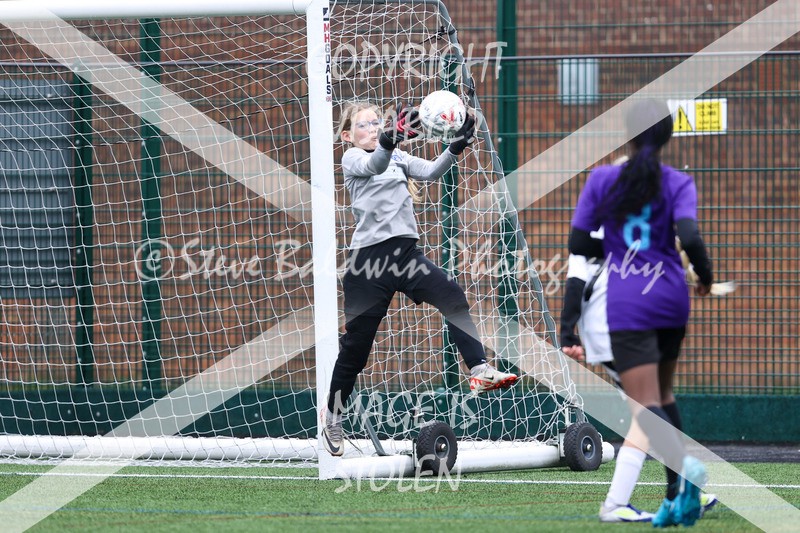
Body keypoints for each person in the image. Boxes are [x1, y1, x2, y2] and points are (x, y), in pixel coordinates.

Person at [321, 101, 518, 457]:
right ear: (349, 135)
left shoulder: (396, 156)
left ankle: (479, 369)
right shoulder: (353, 157)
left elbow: (431, 171)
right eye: (365, 124)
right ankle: (333, 416)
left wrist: (457, 144)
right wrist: (391, 137)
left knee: (452, 295)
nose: (373, 127)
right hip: (368, 265)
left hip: (405, 256)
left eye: (378, 122)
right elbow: (375, 161)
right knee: (355, 350)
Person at [568, 99, 714, 527]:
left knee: (645, 404)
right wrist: (704, 276)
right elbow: (689, 234)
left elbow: (579, 243)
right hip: (671, 298)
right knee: (663, 396)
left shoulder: (602, 180)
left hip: (630, 304)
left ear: (626, 137)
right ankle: (679, 497)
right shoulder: (678, 182)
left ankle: (685, 475)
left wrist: (615, 247)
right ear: (667, 137)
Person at [560, 231, 718, 523]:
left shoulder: (610, 219)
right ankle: (622, 502)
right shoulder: (611, 222)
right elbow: (577, 282)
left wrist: (569, 330)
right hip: (614, 331)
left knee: (648, 409)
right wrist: (567, 332)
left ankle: (680, 487)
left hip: (622, 328)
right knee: (649, 409)